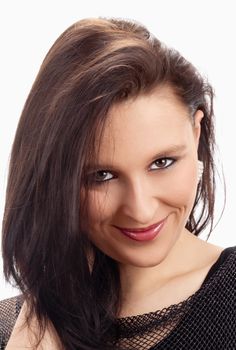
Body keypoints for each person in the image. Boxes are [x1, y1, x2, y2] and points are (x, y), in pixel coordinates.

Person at [0, 16, 235, 350]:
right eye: (102, 176)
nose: (140, 210)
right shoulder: (12, 329)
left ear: (195, 134)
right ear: (56, 182)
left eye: (162, 163)